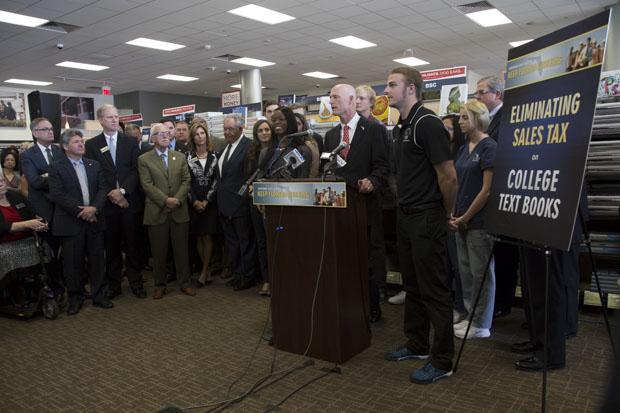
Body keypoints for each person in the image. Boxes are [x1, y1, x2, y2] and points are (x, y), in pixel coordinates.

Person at [383, 67, 457, 384]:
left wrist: (448, 213)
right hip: (406, 216)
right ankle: (417, 344)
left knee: (435, 291)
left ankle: (442, 361)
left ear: (411, 88)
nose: (386, 90)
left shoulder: (427, 124)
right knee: (411, 285)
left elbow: (449, 175)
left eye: (391, 85)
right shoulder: (402, 127)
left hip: (428, 216)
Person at [324, 83, 389, 323]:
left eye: (335, 97)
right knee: (344, 259)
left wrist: (372, 181)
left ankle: (372, 306)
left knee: (368, 260)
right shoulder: (330, 136)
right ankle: (348, 303)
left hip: (365, 206)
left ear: (352, 100)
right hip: (338, 209)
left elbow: (383, 167)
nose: (331, 101)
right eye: (330, 97)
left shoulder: (373, 129)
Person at [49, 129, 112, 315]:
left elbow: (103, 189)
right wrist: (83, 212)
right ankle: (75, 299)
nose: (81, 144)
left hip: (94, 220)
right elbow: (58, 195)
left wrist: (94, 209)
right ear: (66, 146)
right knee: (73, 264)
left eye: (82, 141)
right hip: (71, 222)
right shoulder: (56, 167)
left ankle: (99, 296)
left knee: (97, 261)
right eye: (76, 142)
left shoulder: (94, 164)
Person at [85, 104, 146, 299]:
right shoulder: (92, 145)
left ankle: (136, 282)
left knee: (132, 245)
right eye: (109, 117)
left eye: (116, 116)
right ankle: (114, 284)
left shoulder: (130, 142)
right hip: (107, 204)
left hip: (129, 202)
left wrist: (122, 191)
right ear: (101, 120)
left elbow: (135, 171)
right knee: (111, 247)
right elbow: (95, 174)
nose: (114, 119)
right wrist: (111, 194)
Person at [449, 99, 497, 339]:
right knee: (465, 271)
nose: (460, 122)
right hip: (460, 220)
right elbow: (458, 182)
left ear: (478, 118)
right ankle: (470, 315)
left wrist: (466, 216)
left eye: (464, 117)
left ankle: (481, 323)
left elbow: (487, 190)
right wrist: (453, 213)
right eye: (459, 117)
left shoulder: (489, 148)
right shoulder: (463, 148)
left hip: (479, 222)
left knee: (481, 273)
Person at [475, 75, 519, 319]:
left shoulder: (506, 120)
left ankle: (503, 302)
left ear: (498, 95)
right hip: (485, 196)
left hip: (502, 196)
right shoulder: (485, 121)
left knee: (505, 256)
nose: (478, 97)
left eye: (482, 92)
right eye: (477, 93)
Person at [138, 123, 194, 299]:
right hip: (157, 211)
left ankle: (185, 283)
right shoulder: (144, 159)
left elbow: (186, 180)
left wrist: (176, 199)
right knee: (159, 252)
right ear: (152, 138)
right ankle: (160, 285)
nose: (165, 136)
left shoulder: (180, 157)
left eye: (167, 133)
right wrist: (165, 200)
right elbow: (147, 185)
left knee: (182, 251)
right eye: (159, 133)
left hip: (179, 210)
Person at [20, 117, 65, 300]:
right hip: (44, 211)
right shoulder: (28, 155)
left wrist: (48, 175)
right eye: (45, 129)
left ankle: (71, 285)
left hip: (63, 209)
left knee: (68, 251)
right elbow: (36, 182)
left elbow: (68, 177)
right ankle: (56, 289)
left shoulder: (59, 151)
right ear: (35, 133)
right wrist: (56, 179)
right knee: (50, 254)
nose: (50, 132)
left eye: (51, 128)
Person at [216, 114, 256, 291]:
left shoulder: (249, 147)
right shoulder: (226, 147)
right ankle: (238, 273)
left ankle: (247, 277)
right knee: (233, 244)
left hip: (240, 204)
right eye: (225, 129)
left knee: (245, 242)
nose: (227, 132)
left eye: (230, 129)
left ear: (241, 129)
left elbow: (249, 177)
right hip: (225, 205)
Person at [0, 173, 49, 288]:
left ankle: (45, 287)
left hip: (27, 238)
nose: (0, 185)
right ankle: (16, 290)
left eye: (1, 181)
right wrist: (27, 224)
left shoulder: (15, 195)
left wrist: (40, 223)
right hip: (4, 243)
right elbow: (2, 227)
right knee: (6, 254)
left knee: (45, 246)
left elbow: (32, 214)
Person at [244, 119, 276, 296]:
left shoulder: (278, 151)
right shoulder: (251, 153)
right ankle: (267, 280)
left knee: (274, 241)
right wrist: (255, 196)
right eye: (260, 130)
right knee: (261, 242)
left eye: (267, 130)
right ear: (256, 134)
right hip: (255, 203)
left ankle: (277, 278)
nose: (264, 133)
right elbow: (247, 176)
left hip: (273, 201)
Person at [187, 123, 218, 288]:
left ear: (206, 135)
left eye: (202, 133)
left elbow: (216, 180)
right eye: (196, 134)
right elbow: (187, 182)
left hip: (210, 203)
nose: (200, 136)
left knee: (208, 236)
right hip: (194, 203)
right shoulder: (187, 157)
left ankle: (204, 271)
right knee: (199, 236)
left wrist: (207, 200)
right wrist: (195, 201)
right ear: (193, 138)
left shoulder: (215, 156)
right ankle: (207, 271)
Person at [442, 114, 466, 321]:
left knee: (459, 265)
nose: (445, 132)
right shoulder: (442, 152)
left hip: (457, 215)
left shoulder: (462, 152)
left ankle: (460, 306)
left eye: (449, 128)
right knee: (446, 263)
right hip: (442, 213)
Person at [268, 107, 313, 179]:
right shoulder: (267, 151)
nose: (276, 122)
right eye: (273, 120)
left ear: (290, 122)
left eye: (281, 119)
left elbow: (302, 179)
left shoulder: (301, 151)